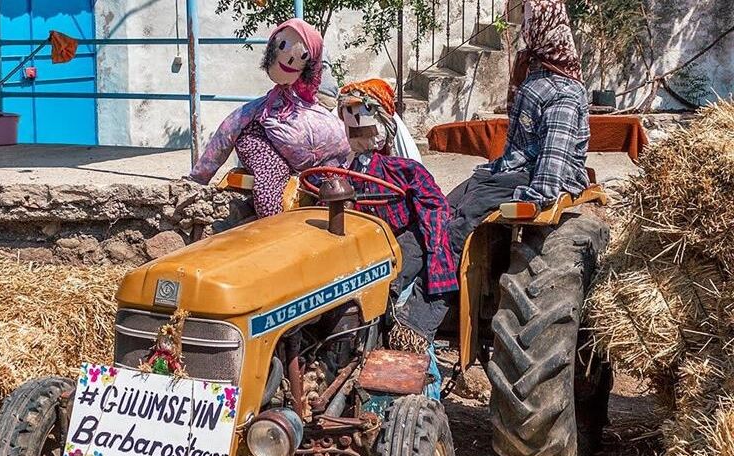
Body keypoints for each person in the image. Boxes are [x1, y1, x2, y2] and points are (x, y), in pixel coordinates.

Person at [447, 0, 590, 257]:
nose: (525, 26)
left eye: (530, 20)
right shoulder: (534, 73)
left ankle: (440, 284)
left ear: (545, 27)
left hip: (541, 176)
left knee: (466, 215)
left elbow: (552, 162)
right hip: (516, 170)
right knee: (447, 204)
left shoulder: (564, 93)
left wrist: (527, 197)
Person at [337, 79, 458, 358]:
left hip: (400, 237)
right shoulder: (347, 172)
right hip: (363, 238)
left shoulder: (405, 170)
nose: (356, 126)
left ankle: (400, 345)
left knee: (390, 275)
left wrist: (435, 250)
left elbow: (434, 208)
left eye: (364, 120)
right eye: (350, 120)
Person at [188, 19, 350, 218]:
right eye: (282, 46)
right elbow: (227, 131)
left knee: (337, 187)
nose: (290, 60)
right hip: (264, 145)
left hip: (310, 169)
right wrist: (199, 177)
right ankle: (271, 228)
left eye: (301, 57)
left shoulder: (314, 107)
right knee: (269, 183)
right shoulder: (258, 111)